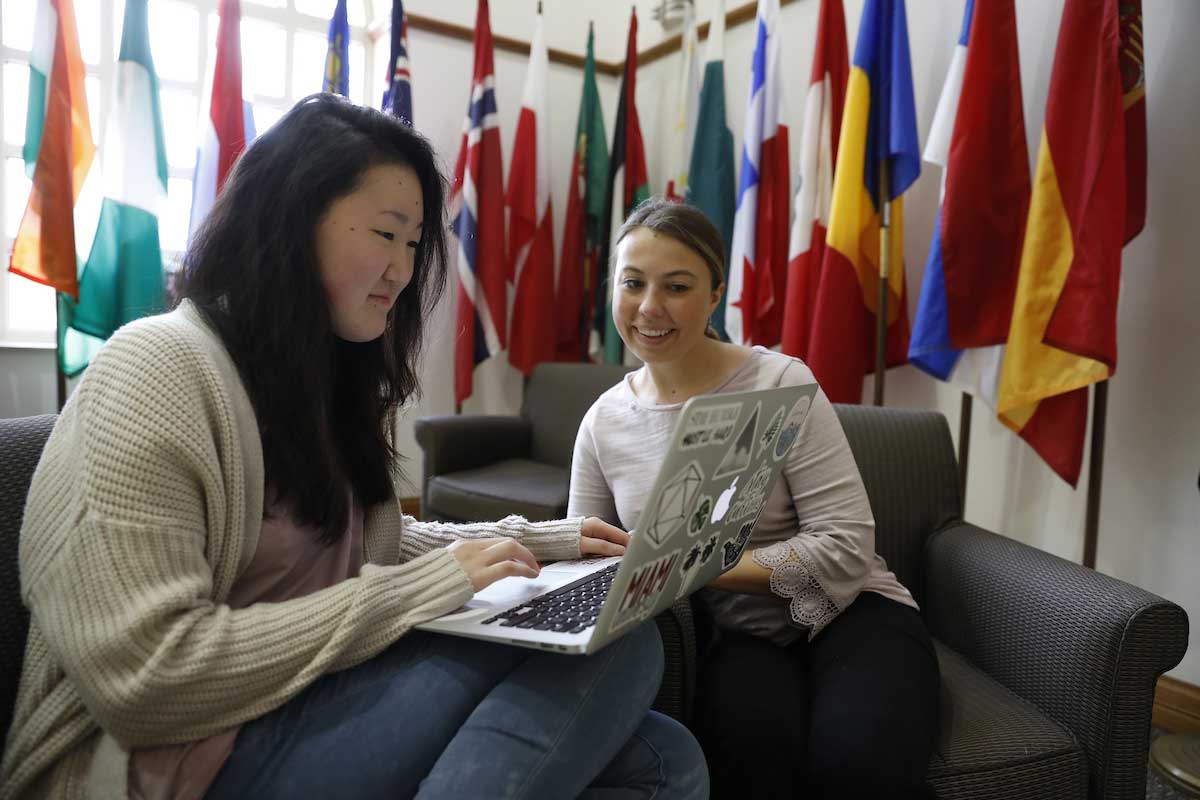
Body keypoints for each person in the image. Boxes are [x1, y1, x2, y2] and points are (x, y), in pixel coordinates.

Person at [0, 96, 707, 800]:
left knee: (665, 759)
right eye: (386, 233)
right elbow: (145, 681)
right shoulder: (156, 370)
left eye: (414, 243)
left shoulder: (321, 378)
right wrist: (421, 590)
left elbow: (356, 543)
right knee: (619, 649)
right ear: (289, 221)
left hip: (307, 699)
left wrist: (541, 540)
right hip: (170, 759)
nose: (403, 270)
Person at [569, 198, 940, 799]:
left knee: (857, 768)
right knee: (749, 766)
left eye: (678, 286)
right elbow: (586, 558)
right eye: (632, 283)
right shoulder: (603, 422)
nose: (649, 308)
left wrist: (683, 566)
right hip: (740, 638)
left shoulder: (780, 382)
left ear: (716, 295)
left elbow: (847, 548)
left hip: (854, 613)